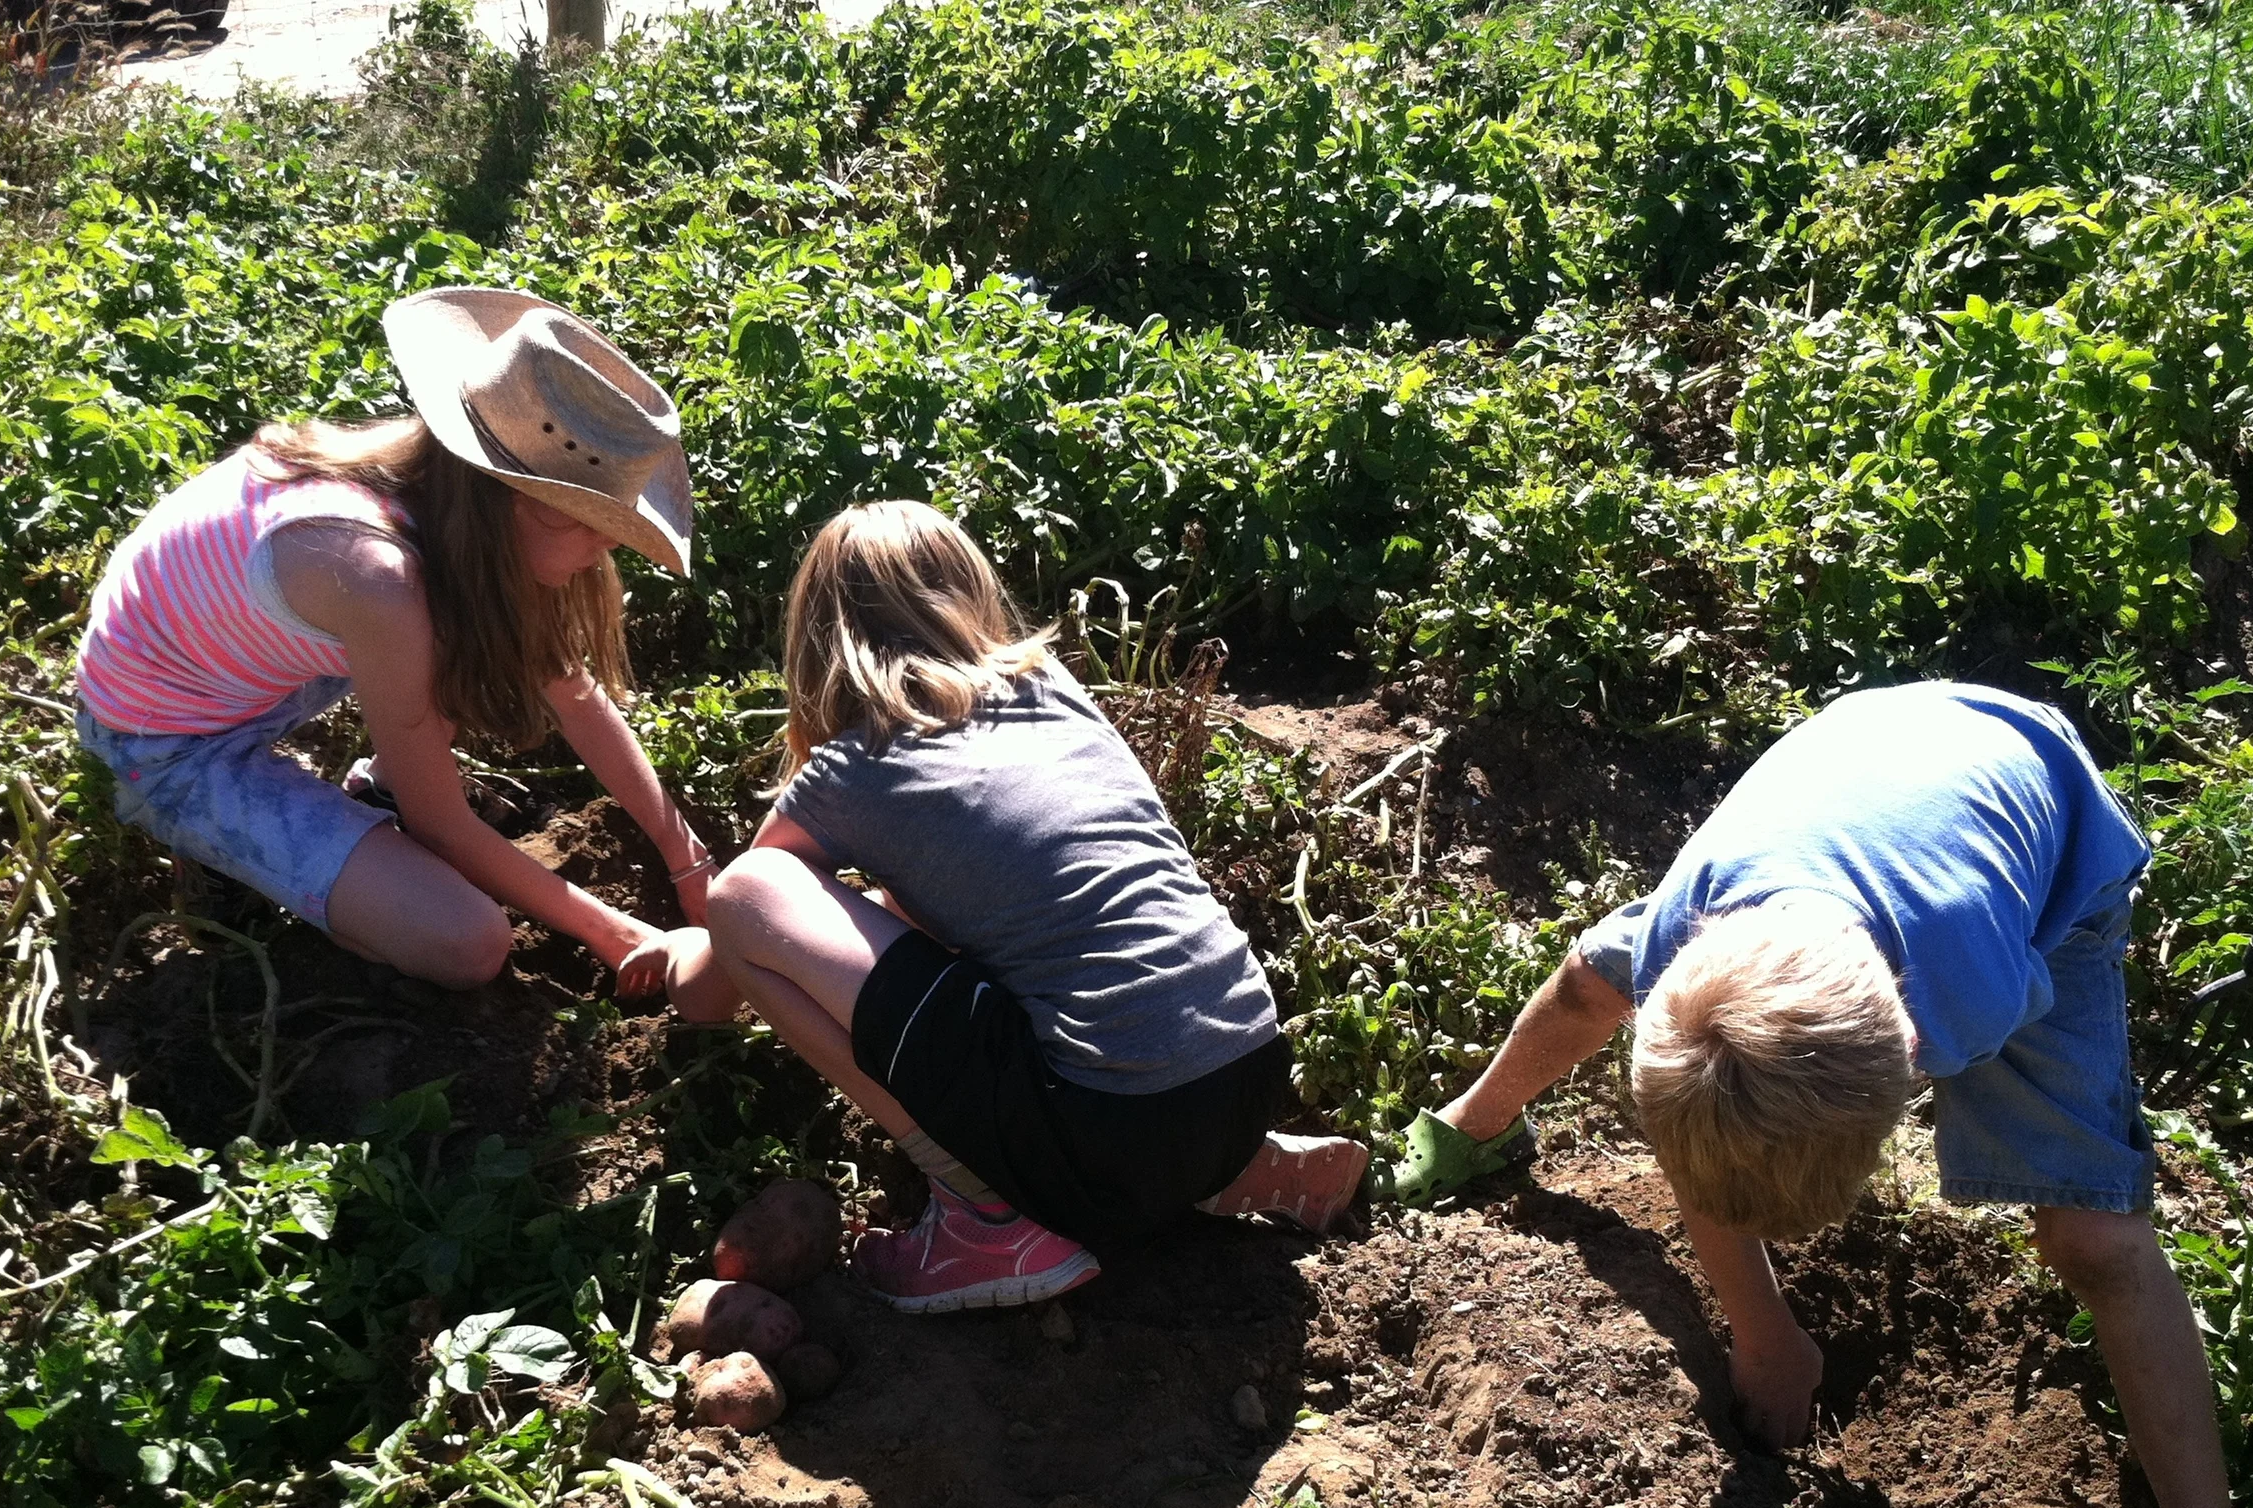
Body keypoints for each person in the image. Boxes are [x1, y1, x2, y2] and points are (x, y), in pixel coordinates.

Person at [1383, 680, 2253, 1508]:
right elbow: (1700, 1154)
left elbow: (1986, 1053)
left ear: (1911, 1070)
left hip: (2035, 814)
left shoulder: (1977, 993)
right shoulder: (1681, 941)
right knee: (1585, 981)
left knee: (2094, 1238)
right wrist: (1766, 1338)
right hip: (1851, 768)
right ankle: (1474, 1124)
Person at [688, 500, 1369, 1311]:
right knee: (987, 927)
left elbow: (716, 972)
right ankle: (1235, 1170)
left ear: (819, 642)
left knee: (743, 895)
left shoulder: (849, 769)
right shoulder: (1050, 687)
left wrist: (679, 952)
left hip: (1116, 1124)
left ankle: (984, 1214)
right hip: (1248, 1066)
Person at [73, 288, 726, 1011]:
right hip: (163, 738)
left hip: (239, 661)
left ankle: (372, 799)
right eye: (592, 521)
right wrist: (624, 937)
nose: (609, 544)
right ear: (517, 498)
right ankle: (226, 868)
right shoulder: (375, 578)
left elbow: (570, 691)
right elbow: (440, 825)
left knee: (471, 644)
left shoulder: (441, 497)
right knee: (467, 941)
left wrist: (685, 857)